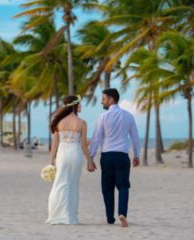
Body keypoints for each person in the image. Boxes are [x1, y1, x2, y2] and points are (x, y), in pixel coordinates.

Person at [89, 88, 140, 227]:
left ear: (111, 99)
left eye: (104, 99)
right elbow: (135, 137)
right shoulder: (128, 116)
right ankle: (122, 213)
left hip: (107, 156)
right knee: (123, 186)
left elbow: (97, 137)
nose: (102, 102)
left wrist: (91, 157)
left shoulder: (103, 116)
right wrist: (137, 155)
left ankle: (110, 218)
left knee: (107, 187)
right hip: (122, 156)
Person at [46, 95, 96, 225]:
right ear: (74, 105)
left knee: (59, 184)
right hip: (75, 155)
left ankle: (56, 215)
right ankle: (70, 216)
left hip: (62, 156)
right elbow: (84, 145)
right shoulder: (82, 123)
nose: (81, 106)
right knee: (73, 185)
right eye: (79, 104)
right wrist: (90, 160)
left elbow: (55, 144)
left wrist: (51, 160)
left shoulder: (59, 122)